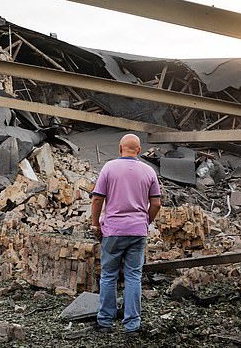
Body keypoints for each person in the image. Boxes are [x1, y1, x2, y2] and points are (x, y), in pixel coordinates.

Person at [90, 133, 162, 334]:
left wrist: (95, 225)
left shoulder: (109, 168)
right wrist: (144, 222)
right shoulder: (149, 171)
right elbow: (156, 203)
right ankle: (132, 325)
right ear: (138, 150)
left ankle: (104, 322)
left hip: (113, 231)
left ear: (120, 148)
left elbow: (97, 200)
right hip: (138, 231)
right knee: (133, 276)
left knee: (109, 276)